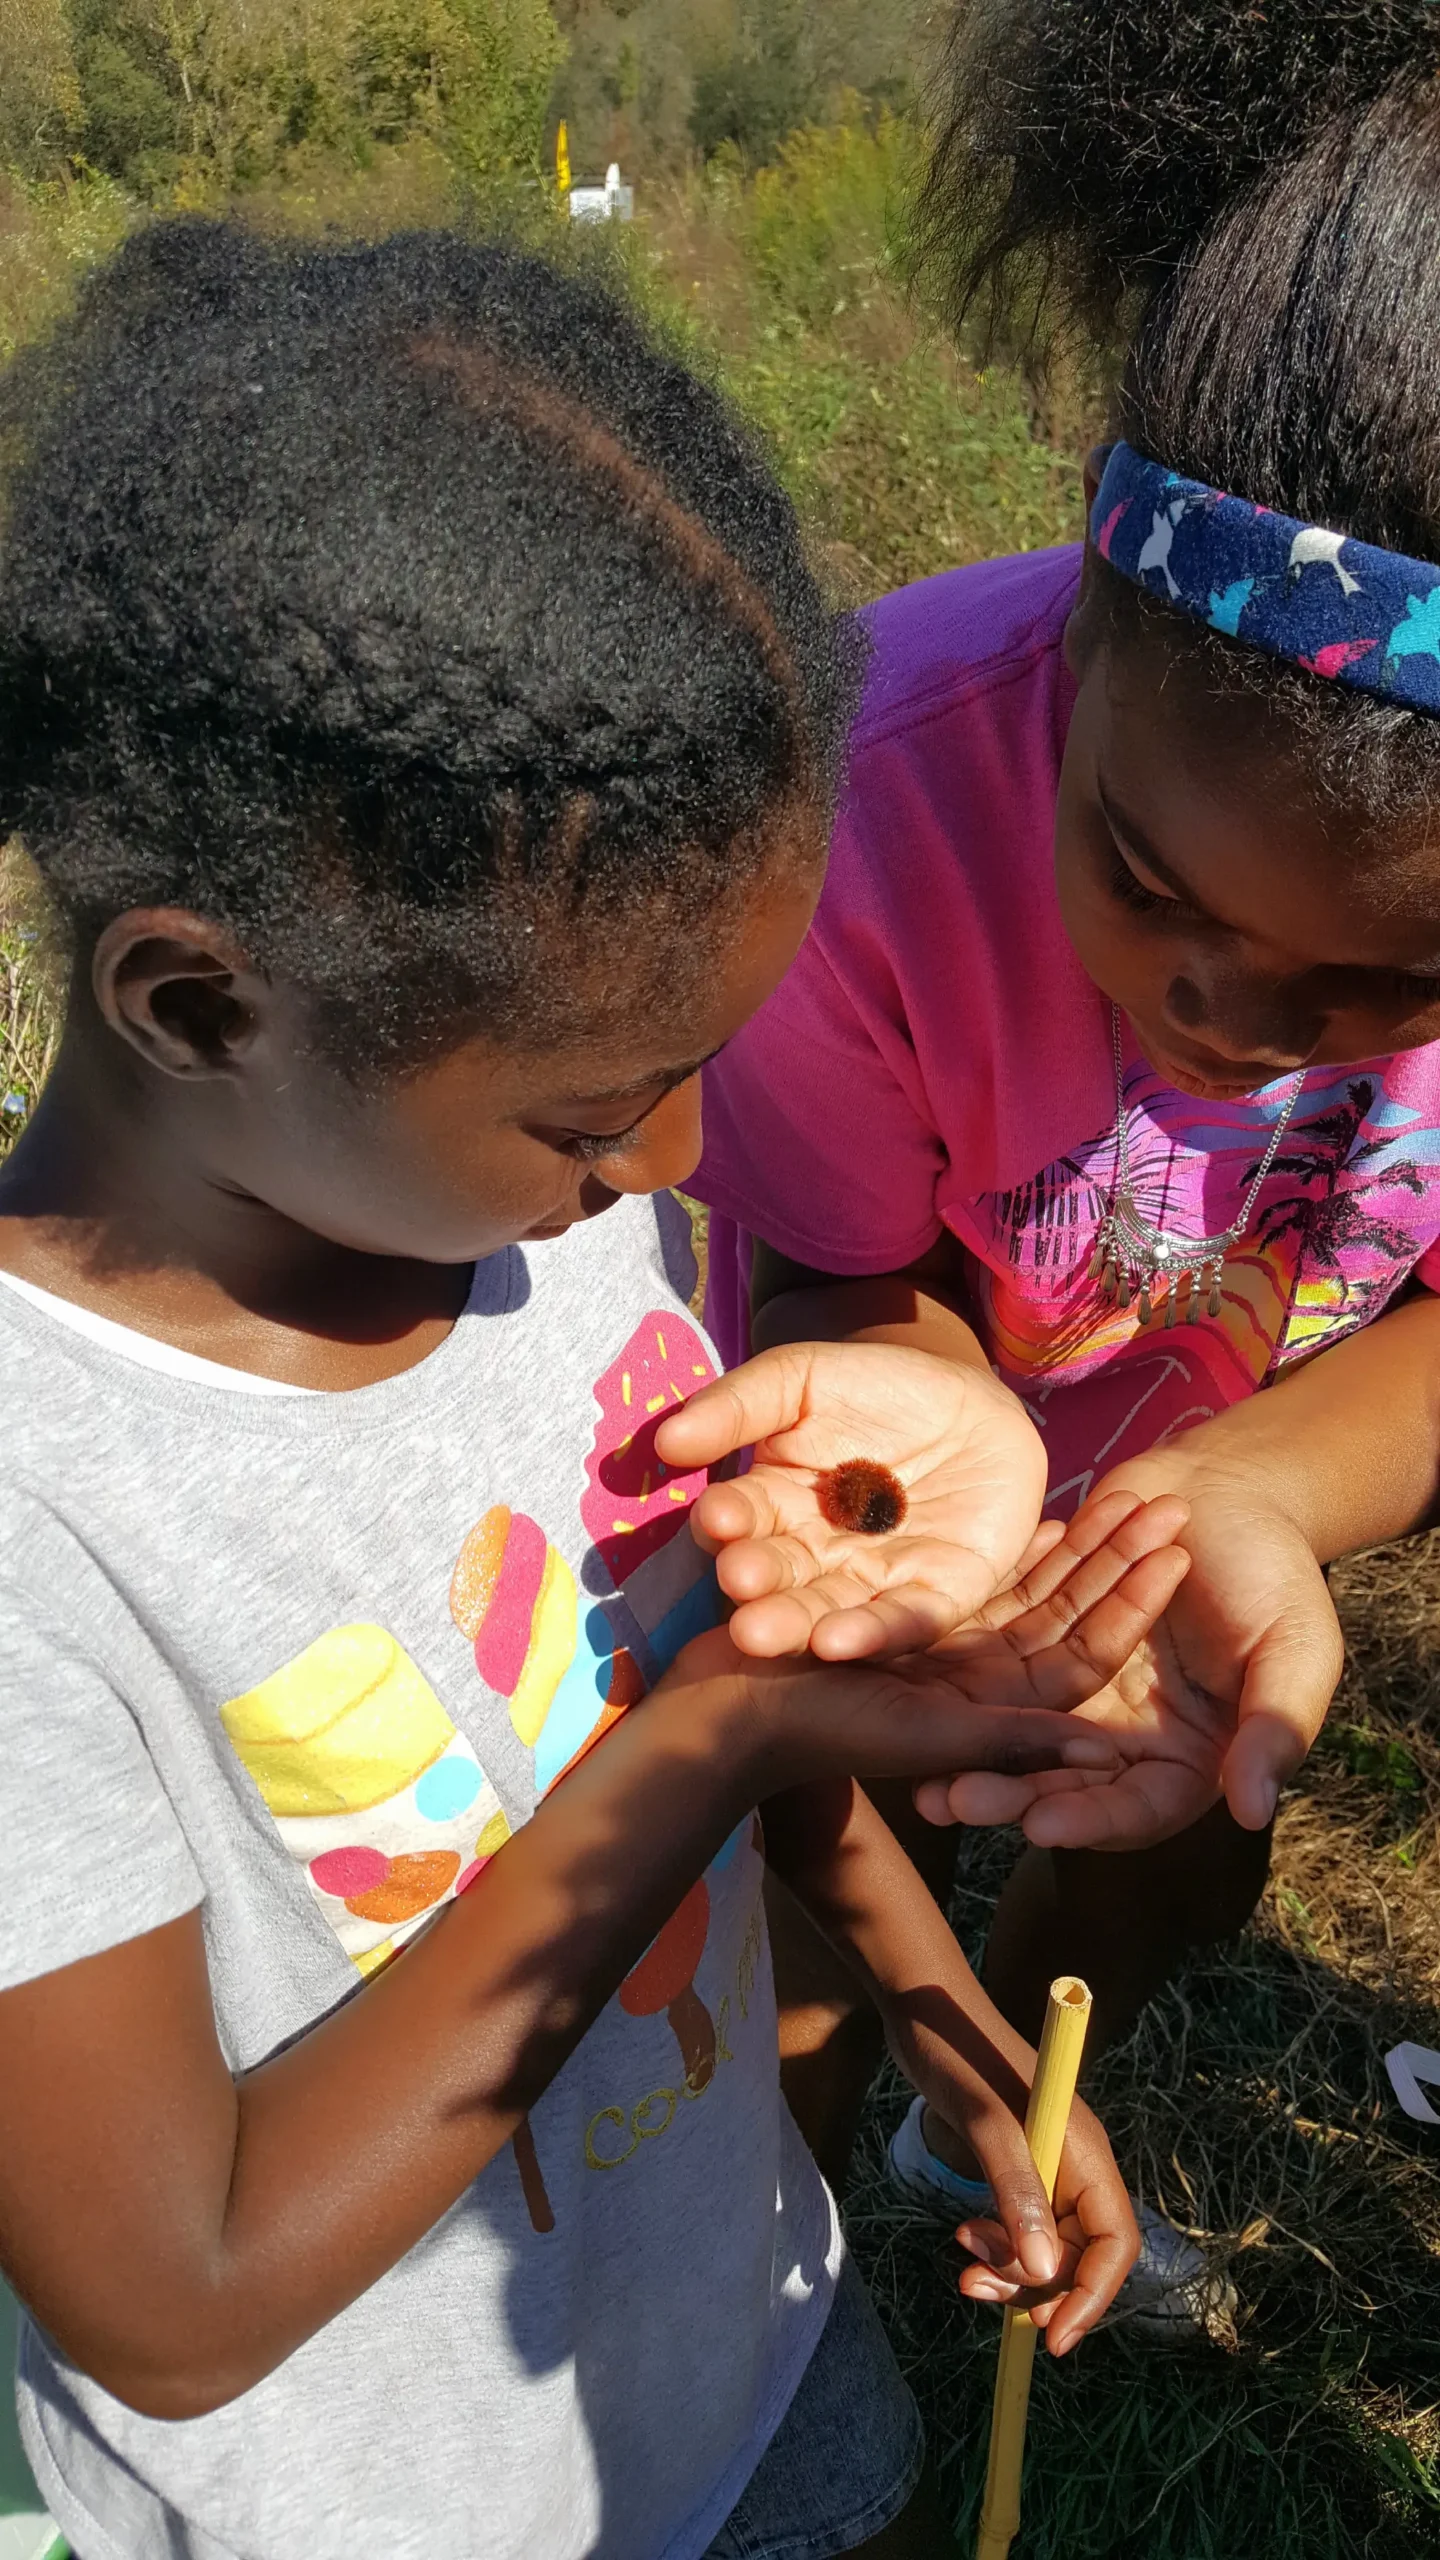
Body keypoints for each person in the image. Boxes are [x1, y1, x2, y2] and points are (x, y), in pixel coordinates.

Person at [0, 219, 1168, 2560]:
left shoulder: (541, 1243)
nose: (675, 1167)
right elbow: (179, 2294)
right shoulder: (46, 1514)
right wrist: (722, 1736)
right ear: (200, 1003)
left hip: (727, 2352)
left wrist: (948, 2025)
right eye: (595, 1108)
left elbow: (698, 1694)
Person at [689, 0, 1440, 2319]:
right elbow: (839, 1270)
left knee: (1166, 1865)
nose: (1224, 1018)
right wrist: (939, 1430)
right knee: (819, 1931)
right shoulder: (860, 815)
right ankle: (780, 2257)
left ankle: (989, 2129)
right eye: (1145, 879)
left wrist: (1253, 1498)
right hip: (879, 1490)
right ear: (1090, 620)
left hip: (1196, 1524)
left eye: (1366, 998)